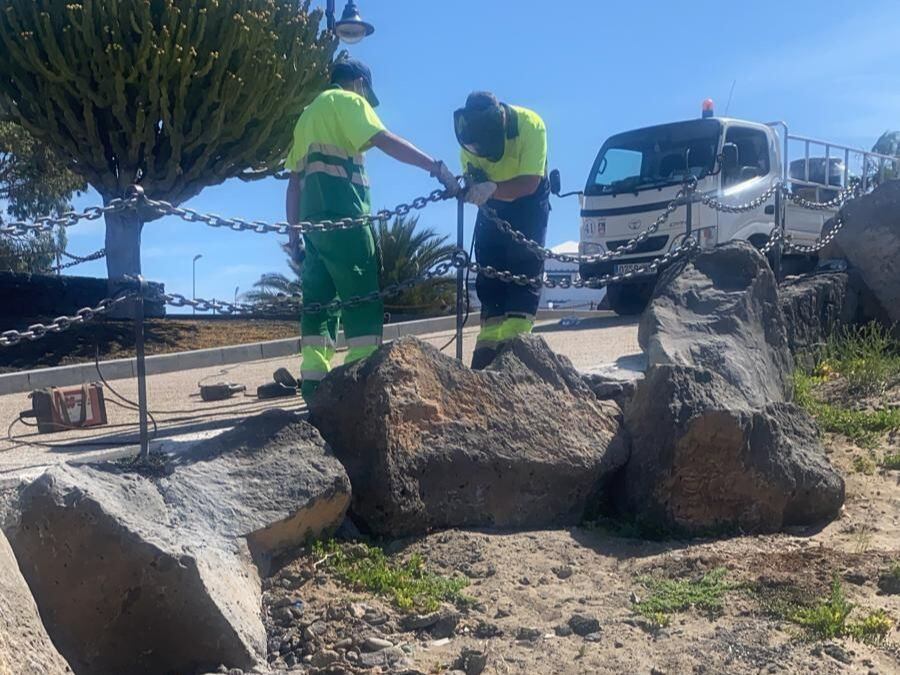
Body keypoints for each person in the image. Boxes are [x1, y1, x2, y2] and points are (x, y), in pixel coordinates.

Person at [282, 58, 458, 399]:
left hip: (313, 227)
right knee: (361, 295)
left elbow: (293, 184)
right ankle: (360, 382)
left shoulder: (307, 114)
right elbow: (384, 140)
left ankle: (314, 384)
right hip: (346, 217)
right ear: (360, 83)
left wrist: (293, 233)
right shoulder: (350, 101)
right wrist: (435, 167)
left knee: (318, 303)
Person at [455, 91, 550, 369]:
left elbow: (530, 182)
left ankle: (516, 349)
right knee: (490, 269)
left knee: (524, 265)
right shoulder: (468, 140)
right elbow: (473, 179)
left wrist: (492, 189)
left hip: (528, 200)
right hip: (492, 202)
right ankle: (487, 350)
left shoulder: (531, 125)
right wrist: (474, 189)